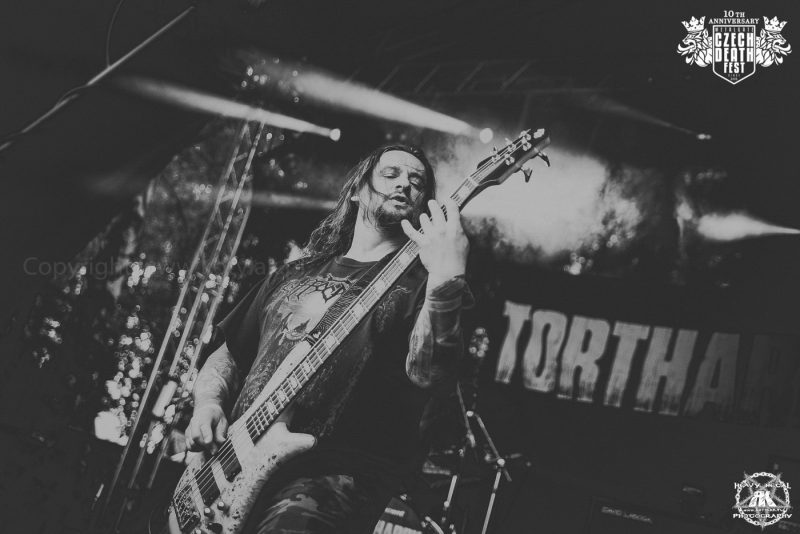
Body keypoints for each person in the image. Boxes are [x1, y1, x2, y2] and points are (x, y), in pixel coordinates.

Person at [184, 144, 473, 533]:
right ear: (357, 190)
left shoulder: (425, 283)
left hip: (337, 477)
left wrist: (445, 281)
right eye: (391, 174)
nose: (405, 183)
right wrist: (207, 404)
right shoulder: (292, 275)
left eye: (417, 181)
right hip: (229, 465)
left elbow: (430, 372)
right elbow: (229, 354)